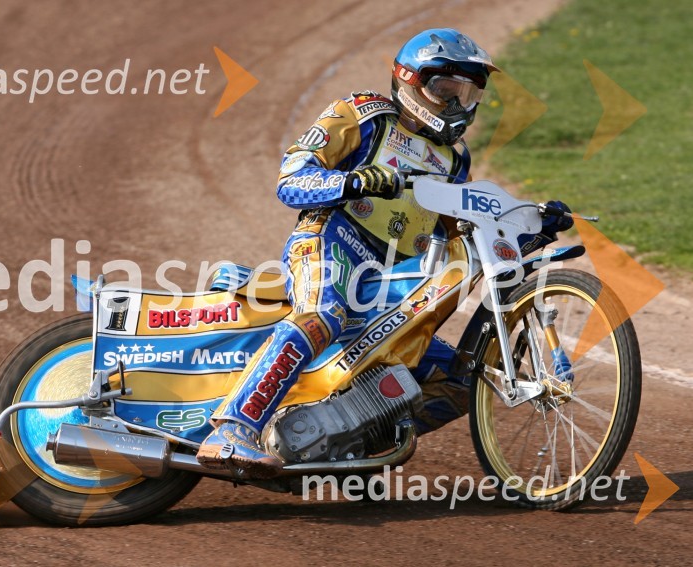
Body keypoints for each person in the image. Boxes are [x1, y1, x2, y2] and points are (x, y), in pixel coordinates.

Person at [196, 28, 572, 478]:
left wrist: (530, 228)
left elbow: (461, 229)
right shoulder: (363, 114)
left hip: (392, 278)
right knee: (324, 315)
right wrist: (352, 181)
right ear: (410, 80)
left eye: (467, 94)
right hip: (331, 240)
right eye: (445, 91)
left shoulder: (455, 161)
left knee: (461, 381)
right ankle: (234, 428)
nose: (457, 106)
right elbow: (291, 178)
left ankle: (348, 447)